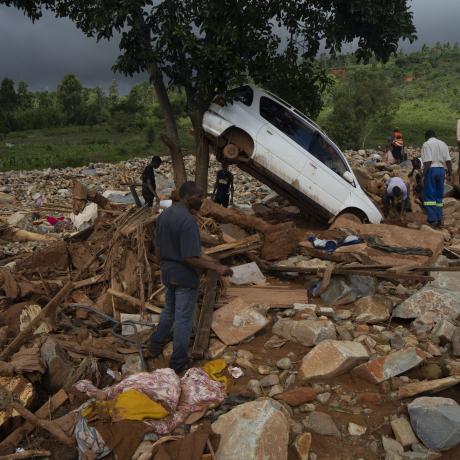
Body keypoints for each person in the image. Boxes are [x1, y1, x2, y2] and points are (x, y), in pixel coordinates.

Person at [148, 181, 233, 373]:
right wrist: (216, 267)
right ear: (187, 197)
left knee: (169, 311)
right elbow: (189, 258)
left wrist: (165, 265)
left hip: (168, 272)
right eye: (199, 196)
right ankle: (178, 363)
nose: (202, 200)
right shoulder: (187, 222)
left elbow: (158, 249)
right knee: (183, 319)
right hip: (184, 275)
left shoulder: (166, 215)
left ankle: (154, 345)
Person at [421, 130, 452, 227]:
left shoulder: (426, 144)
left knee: (429, 196)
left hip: (431, 170)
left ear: (427, 136)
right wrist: (450, 172)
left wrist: (423, 175)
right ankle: (439, 219)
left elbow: (428, 161)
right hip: (441, 170)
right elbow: (448, 160)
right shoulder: (443, 143)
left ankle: (432, 219)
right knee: (439, 195)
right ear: (435, 135)